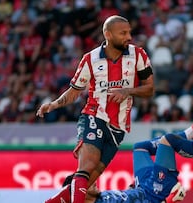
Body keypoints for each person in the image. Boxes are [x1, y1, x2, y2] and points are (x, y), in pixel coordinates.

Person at [36, 15, 155, 203]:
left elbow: (149, 88)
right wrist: (54, 104)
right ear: (108, 34)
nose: (129, 37)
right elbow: (75, 91)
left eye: (129, 32)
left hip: (119, 127)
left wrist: (129, 90)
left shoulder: (138, 55)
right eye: (123, 33)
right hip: (94, 115)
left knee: (88, 179)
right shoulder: (90, 59)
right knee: (87, 165)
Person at [56, 109, 193, 203]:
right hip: (153, 194)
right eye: (88, 182)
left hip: (143, 187)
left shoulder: (101, 197)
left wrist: (131, 187)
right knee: (167, 141)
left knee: (140, 147)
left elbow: (125, 197)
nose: (93, 181)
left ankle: (192, 132)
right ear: (79, 193)